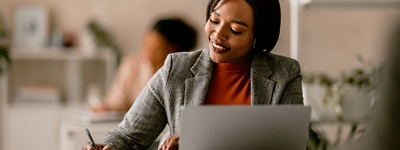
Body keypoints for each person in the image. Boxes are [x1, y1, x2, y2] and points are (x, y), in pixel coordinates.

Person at [83, 0, 303, 149]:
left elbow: (289, 146)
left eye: (235, 30)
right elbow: (128, 137)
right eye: (214, 20)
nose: (218, 35)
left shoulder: (285, 74)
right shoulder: (176, 69)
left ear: (258, 36)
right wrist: (109, 147)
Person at [90, 18, 198, 112]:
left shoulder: (187, 73)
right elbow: (116, 101)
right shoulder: (132, 65)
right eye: (146, 45)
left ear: (172, 49)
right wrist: (107, 107)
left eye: (155, 49)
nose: (147, 52)